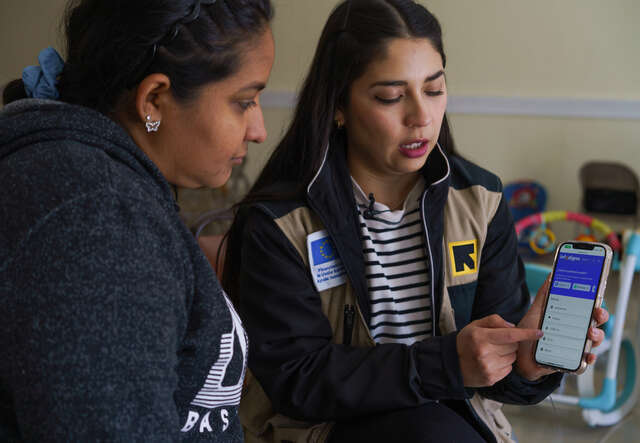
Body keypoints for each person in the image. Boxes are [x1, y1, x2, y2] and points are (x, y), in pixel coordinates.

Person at [222, 1, 608, 442]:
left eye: (434, 89)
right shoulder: (279, 224)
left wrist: (526, 363)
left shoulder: (480, 201)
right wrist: (447, 363)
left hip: (457, 425)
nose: (421, 117)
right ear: (338, 105)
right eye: (391, 96)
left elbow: (500, 382)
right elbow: (299, 380)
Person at [0, 0, 273, 441]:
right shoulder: (98, 218)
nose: (258, 128)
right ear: (155, 100)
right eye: (244, 102)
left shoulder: (99, 188)